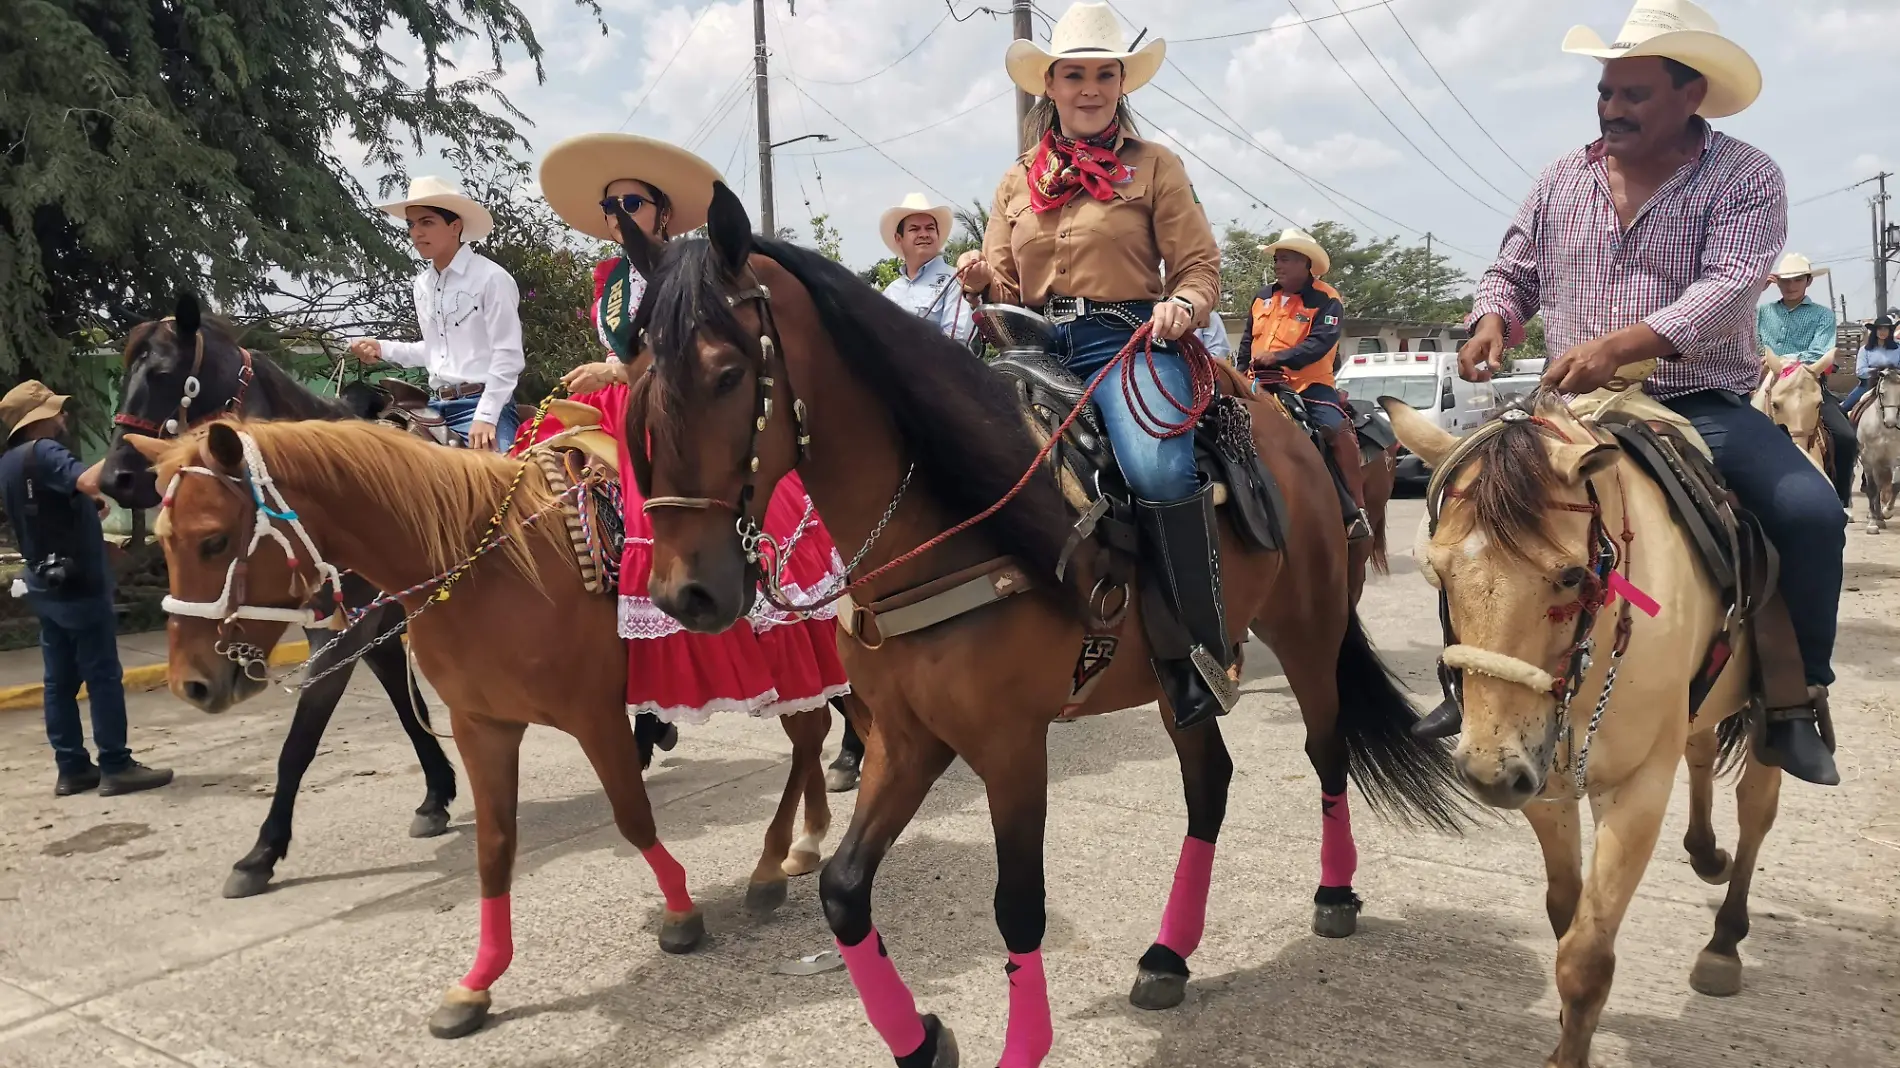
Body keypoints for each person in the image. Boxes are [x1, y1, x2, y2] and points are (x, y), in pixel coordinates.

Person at [1456, 0, 1839, 785]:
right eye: (1606, 92)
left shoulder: (1746, 176)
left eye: (1634, 94)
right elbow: (1514, 269)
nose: (1613, 108)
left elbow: (1731, 288)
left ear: (1690, 94)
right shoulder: (1564, 176)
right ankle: (1468, 683)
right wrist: (1493, 316)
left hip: (1695, 402)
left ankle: (1795, 697)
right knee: (1466, 509)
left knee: (1810, 513)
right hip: (1570, 410)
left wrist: (1623, 346)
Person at [525, 132, 851, 749]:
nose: (620, 214)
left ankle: (765, 657)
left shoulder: (689, 267)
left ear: (662, 211)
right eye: (610, 206)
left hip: (665, 399)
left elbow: (683, 355)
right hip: (613, 400)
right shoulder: (609, 279)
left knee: (669, 510)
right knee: (539, 485)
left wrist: (620, 371)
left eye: (632, 202)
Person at [958, 1, 1232, 730]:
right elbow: (1008, 290)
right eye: (1073, 75)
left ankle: (1195, 653)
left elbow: (1201, 266)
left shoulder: (1156, 167)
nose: (1088, 89)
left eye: (1103, 76)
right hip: (1034, 350)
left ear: (1120, 85)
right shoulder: (1016, 182)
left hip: (1127, 343)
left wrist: (1185, 303)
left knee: (1155, 469)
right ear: (1049, 85)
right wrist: (984, 283)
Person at [0, 383, 172, 797]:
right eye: (57, 412)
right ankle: (116, 765)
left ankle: (72, 768)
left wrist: (83, 506)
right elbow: (88, 478)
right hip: (80, 585)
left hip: (44, 582)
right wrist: (127, 444)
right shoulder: (46, 451)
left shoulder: (9, 463)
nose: (63, 417)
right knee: (103, 677)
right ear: (38, 419)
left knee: (58, 681)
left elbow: (45, 505)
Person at [348, 177, 524, 452]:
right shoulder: (423, 285)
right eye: (411, 224)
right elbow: (435, 351)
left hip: (482, 406)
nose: (416, 232)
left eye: (426, 222)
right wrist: (383, 348)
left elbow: (508, 356)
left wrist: (487, 416)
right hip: (433, 408)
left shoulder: (492, 278)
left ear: (455, 226)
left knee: (504, 485)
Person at [1235, 227, 1372, 540]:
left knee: (1336, 432)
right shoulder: (1261, 298)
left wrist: (1279, 357)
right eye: (1277, 260)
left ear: (1305, 263)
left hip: (1308, 386)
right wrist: (1241, 374)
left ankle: (1354, 508)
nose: (1278, 265)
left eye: (1285, 259)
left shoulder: (1326, 299)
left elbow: (1320, 344)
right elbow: (1246, 342)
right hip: (1258, 385)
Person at [1757, 252, 1857, 508]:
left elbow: (1819, 352)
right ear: (1777, 283)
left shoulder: (1823, 316)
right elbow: (1752, 341)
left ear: (1808, 281)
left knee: (1845, 437)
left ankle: (1841, 499)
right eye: (1785, 281)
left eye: (1797, 280)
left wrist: (1783, 361)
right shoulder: (1761, 312)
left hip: (1807, 383)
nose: (1791, 286)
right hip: (1765, 381)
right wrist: (1755, 291)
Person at [877, 193, 975, 346]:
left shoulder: (956, 280)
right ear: (898, 238)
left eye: (929, 228)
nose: (924, 234)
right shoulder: (890, 292)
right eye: (914, 229)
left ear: (937, 235)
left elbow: (956, 345)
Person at [1845, 315, 1900, 410]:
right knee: (1845, 407)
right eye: (1880, 329)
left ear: (1890, 331)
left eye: (1885, 329)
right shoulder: (1865, 350)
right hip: (1869, 384)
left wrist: (1892, 373)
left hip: (1894, 383)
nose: (1883, 332)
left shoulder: (1898, 349)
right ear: (1875, 331)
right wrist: (1878, 372)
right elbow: (1860, 371)